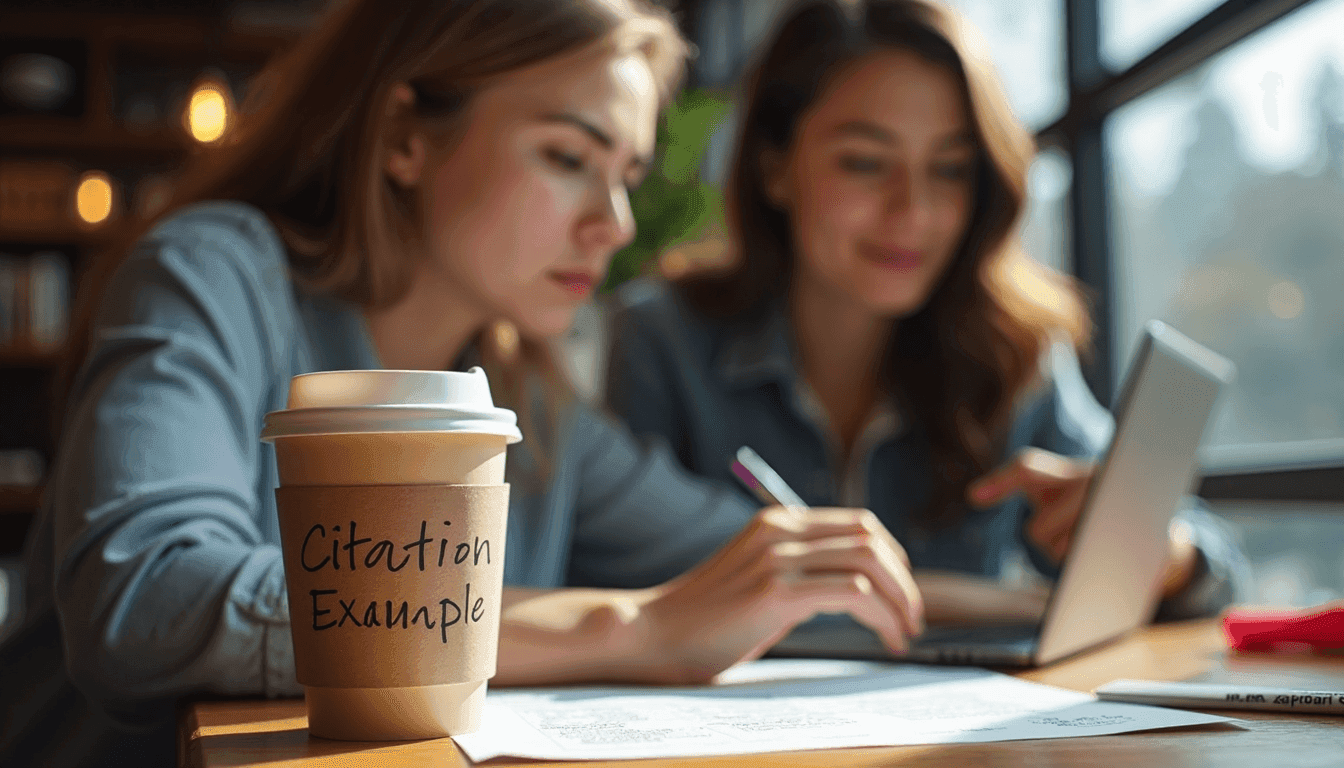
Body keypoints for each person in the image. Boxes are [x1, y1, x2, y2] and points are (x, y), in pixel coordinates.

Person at [0, 2, 925, 765]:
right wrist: (618, 626)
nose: (612, 222)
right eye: (568, 157)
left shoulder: (523, 398)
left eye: (627, 175)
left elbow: (750, 559)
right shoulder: (215, 273)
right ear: (406, 135)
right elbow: (144, 600)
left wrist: (1019, 593)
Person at [605, 0, 1247, 627]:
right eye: (864, 162)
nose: (913, 213)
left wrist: (1159, 551)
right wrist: (973, 601)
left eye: (949, 169)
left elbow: (1214, 572)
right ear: (775, 168)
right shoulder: (663, 339)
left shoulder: (1013, 351)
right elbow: (620, 576)